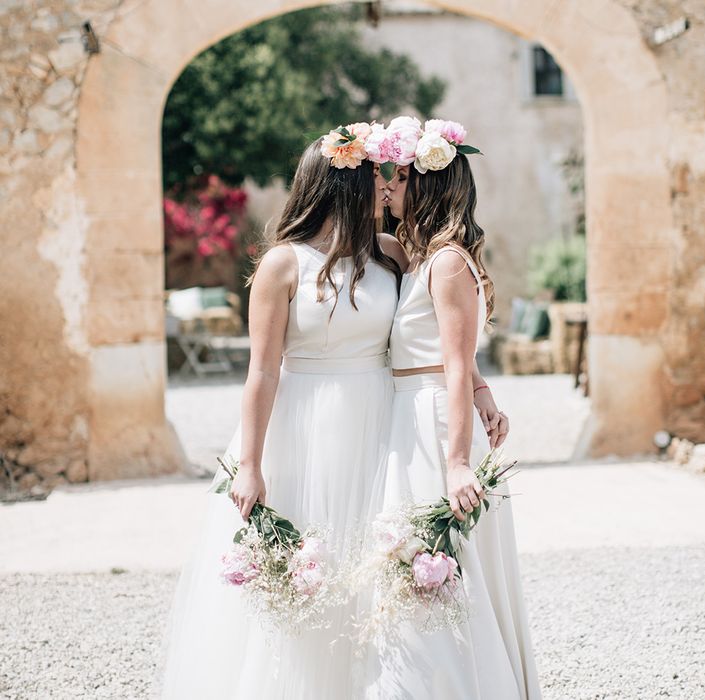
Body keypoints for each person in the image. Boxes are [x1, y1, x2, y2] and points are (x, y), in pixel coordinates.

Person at [159, 123, 505, 699]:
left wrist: (479, 389)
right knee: (308, 568)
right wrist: (249, 462)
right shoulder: (281, 266)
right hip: (304, 425)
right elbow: (262, 373)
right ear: (341, 184)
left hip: (382, 424)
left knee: (369, 565)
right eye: (374, 175)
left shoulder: (392, 254)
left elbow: (435, 334)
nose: (386, 185)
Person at [365, 119, 541, 699]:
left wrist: (459, 461)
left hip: (434, 418)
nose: (391, 186)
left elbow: (456, 362)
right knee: (414, 558)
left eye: (402, 177)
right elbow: (456, 353)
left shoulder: (445, 264)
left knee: (438, 560)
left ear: (430, 187)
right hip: (410, 409)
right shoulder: (415, 258)